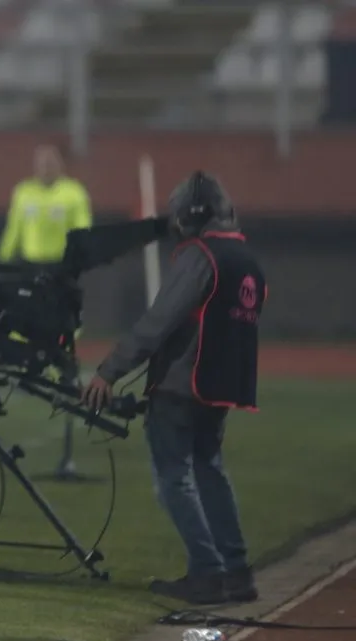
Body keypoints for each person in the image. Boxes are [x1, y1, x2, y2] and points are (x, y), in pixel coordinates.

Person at [82, 171, 265, 605]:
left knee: (174, 479)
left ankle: (208, 571)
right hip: (219, 388)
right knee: (210, 471)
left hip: (182, 386)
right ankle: (237, 571)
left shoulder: (201, 256)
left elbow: (159, 321)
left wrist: (109, 370)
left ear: (187, 216)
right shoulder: (247, 261)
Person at [0, 144, 92, 479]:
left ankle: (67, 375)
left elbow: (82, 230)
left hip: (59, 269)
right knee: (22, 323)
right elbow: (14, 228)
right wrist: (4, 261)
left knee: (64, 326)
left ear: (62, 164)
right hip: (30, 266)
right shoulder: (23, 192)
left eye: (51, 161)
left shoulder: (73, 193)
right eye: (41, 161)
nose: (46, 166)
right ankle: (28, 376)